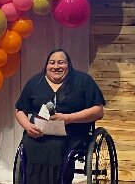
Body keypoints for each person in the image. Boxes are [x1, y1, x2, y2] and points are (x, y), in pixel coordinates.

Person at [15, 49, 105, 183]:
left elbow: (98, 111)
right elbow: (20, 110)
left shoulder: (83, 81)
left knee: (56, 147)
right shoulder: (35, 82)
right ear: (46, 65)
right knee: (30, 144)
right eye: (52, 63)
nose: (56, 66)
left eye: (61, 63)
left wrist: (68, 118)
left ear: (68, 64)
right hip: (38, 132)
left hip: (72, 132)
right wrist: (28, 126)